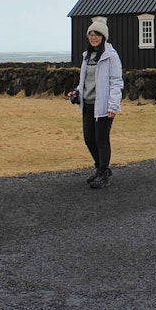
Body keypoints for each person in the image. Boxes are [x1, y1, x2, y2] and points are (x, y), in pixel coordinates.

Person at [68, 18, 123, 189]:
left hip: (103, 106)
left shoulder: (111, 56)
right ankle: (100, 168)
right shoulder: (86, 56)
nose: (93, 37)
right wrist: (77, 91)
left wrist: (113, 106)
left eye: (97, 34)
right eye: (91, 34)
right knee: (89, 139)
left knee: (101, 140)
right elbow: (84, 81)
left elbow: (116, 82)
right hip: (87, 104)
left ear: (103, 36)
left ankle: (103, 172)